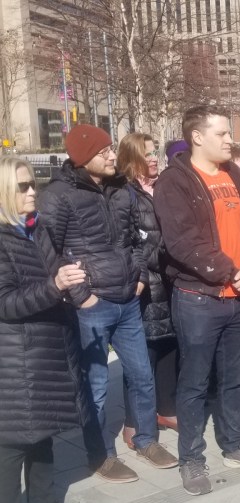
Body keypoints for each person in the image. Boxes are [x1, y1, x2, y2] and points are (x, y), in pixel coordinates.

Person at [38, 124, 178, 483]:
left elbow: (136, 238)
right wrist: (81, 297)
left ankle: (146, 440)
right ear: (85, 159)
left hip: (128, 298)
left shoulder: (120, 190)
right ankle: (101, 454)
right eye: (104, 153)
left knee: (141, 375)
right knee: (96, 385)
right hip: (91, 306)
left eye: (110, 150)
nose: (113, 156)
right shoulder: (58, 195)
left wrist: (141, 278)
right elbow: (47, 250)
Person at [154, 105, 240, 496]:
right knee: (193, 382)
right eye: (222, 134)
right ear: (197, 136)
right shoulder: (174, 182)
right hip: (199, 298)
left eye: (229, 134)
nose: (230, 140)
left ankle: (236, 444)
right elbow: (182, 241)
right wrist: (229, 270)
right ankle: (192, 458)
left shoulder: (239, 178)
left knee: (235, 380)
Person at [0, 158, 90, 503]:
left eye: (31, 184)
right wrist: (54, 286)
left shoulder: (36, 231)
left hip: (47, 350)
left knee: (44, 434)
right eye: (22, 187)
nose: (32, 192)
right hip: (14, 358)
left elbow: (54, 279)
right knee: (12, 446)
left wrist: (74, 286)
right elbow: (6, 304)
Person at [116, 133, 179, 450]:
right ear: (132, 159)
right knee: (142, 358)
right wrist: (174, 254)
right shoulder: (125, 195)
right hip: (145, 287)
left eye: (155, 153)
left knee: (168, 347)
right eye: (148, 154)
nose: (155, 158)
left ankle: (165, 410)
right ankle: (134, 421)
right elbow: (132, 244)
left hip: (170, 284)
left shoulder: (163, 188)